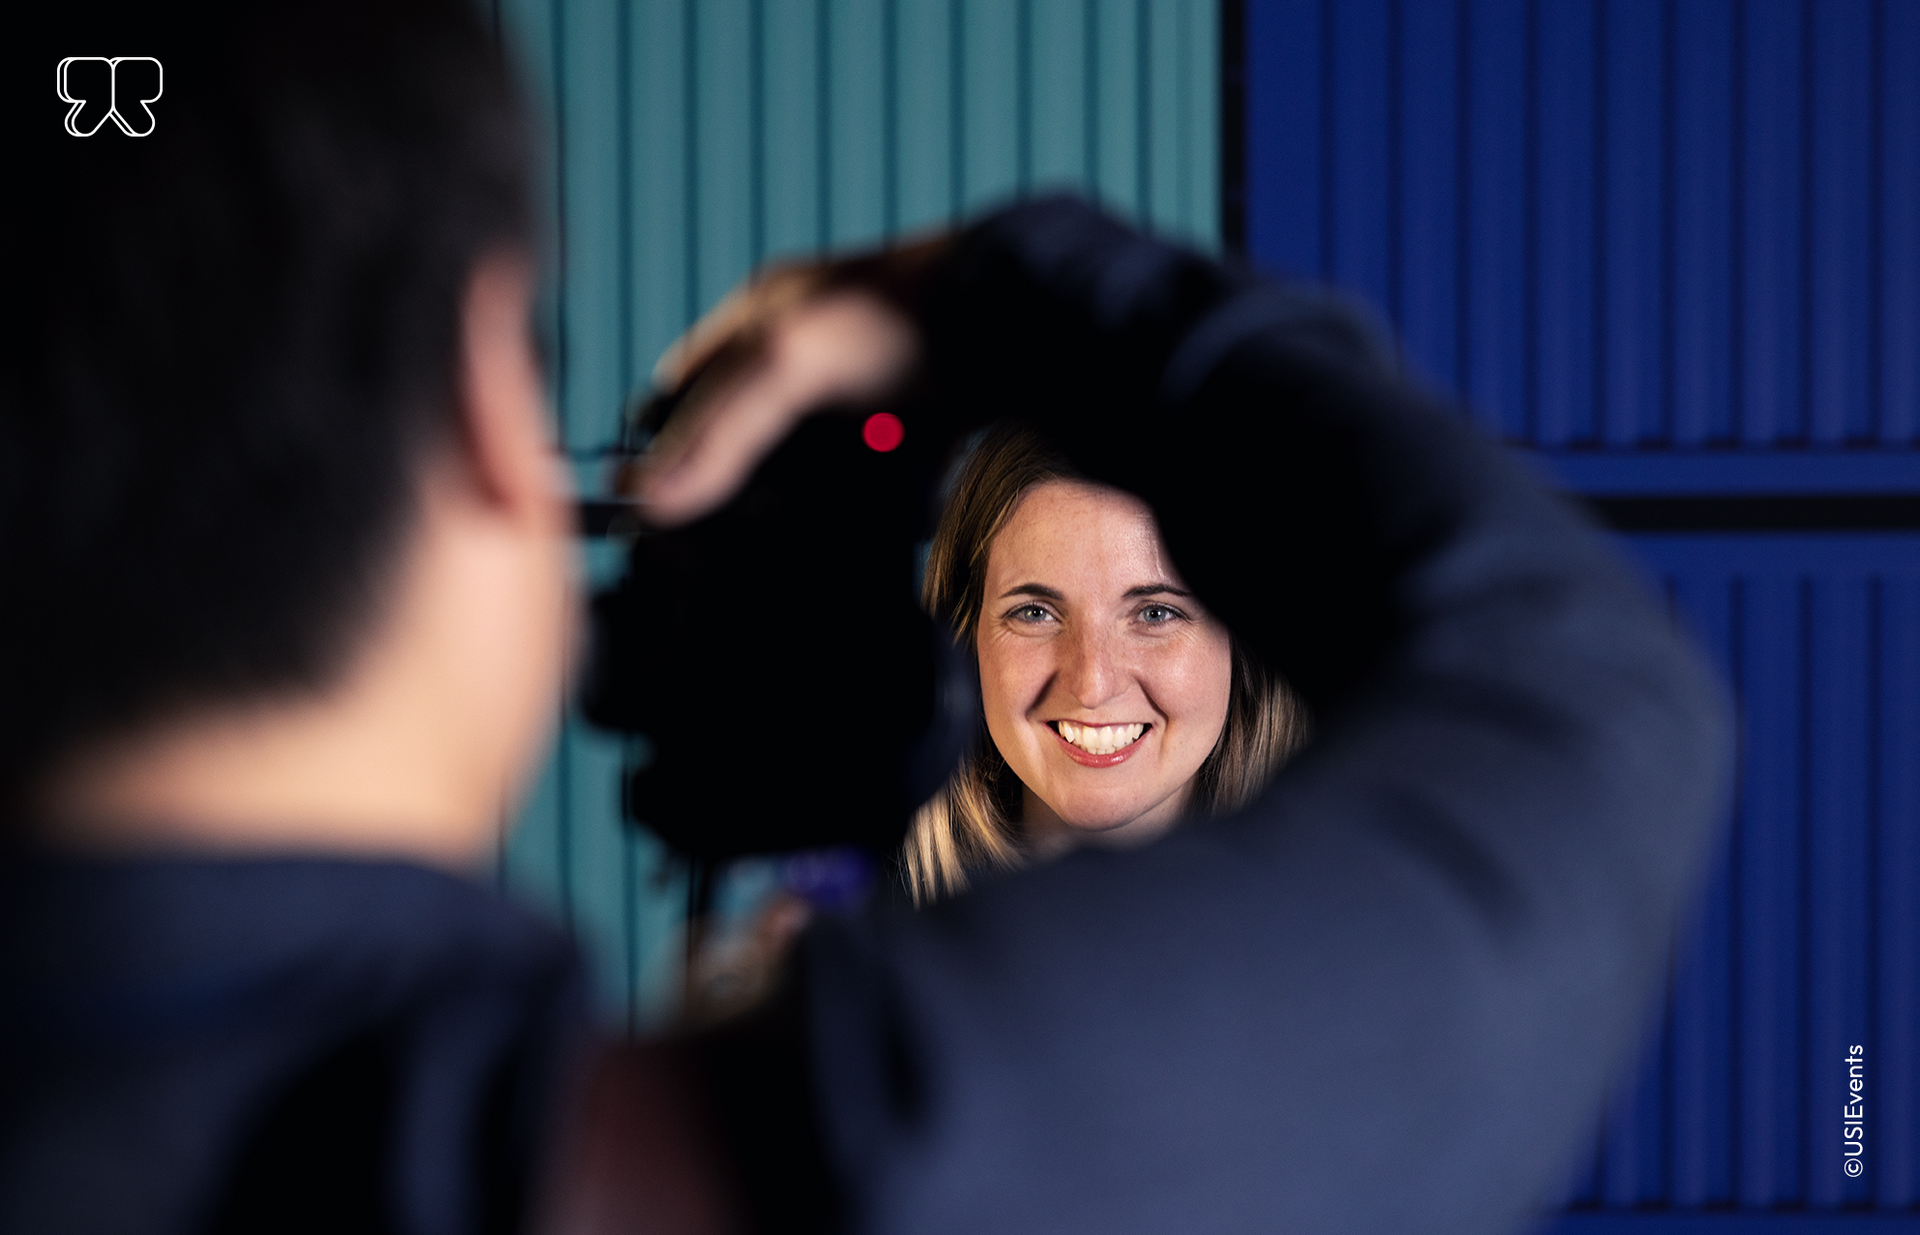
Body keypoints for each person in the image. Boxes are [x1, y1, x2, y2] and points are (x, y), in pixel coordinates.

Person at [2, 3, 1731, 1235]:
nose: (1095, 671)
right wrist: (978, 288)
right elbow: (1584, 719)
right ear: (483, 397)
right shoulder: (870, 1138)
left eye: (1157, 607)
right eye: (1032, 606)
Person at [899, 423, 1307, 902]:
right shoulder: (856, 931)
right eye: (1035, 613)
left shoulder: (1354, 923)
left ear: (1247, 641)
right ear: (961, 640)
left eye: (1155, 614)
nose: (1092, 685)